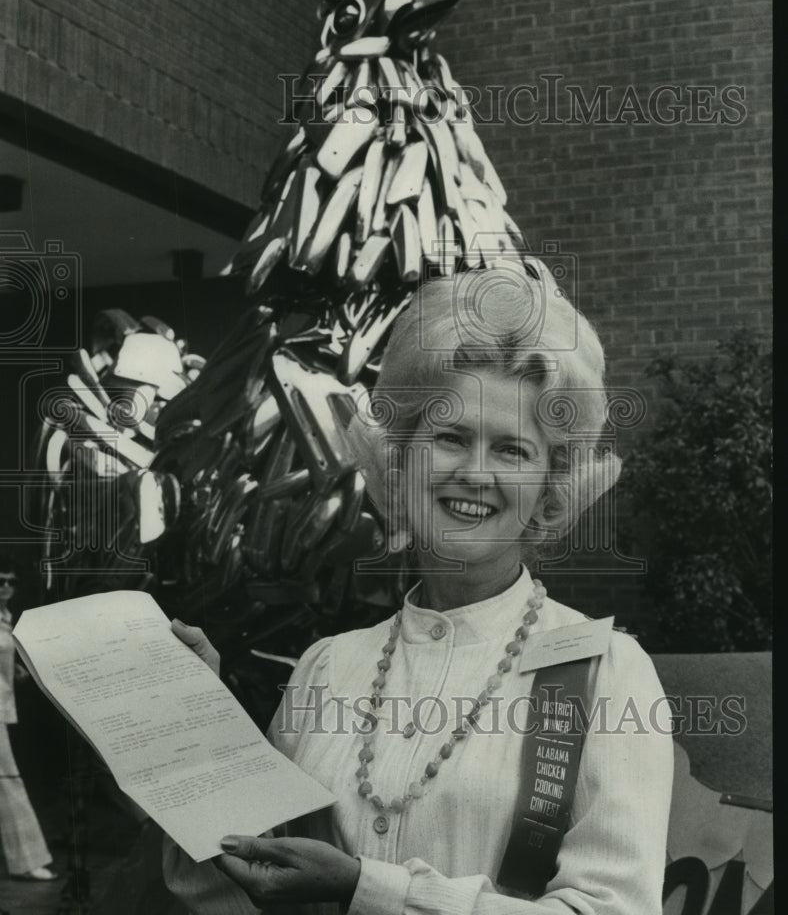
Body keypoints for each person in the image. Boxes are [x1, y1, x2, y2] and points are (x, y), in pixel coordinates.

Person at [164, 263, 674, 914]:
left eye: (513, 451)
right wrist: (203, 740)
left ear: (551, 488)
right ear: (399, 461)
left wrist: (364, 889)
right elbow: (238, 887)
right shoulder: (326, 667)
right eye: (451, 438)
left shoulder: (603, 672)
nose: (475, 473)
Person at [0, 565, 58, 881]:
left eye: (12, 581)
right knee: (9, 783)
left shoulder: (6, 617)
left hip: (3, 706)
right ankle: (27, 859)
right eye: (0, 581)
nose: (6, 586)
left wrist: (15, 671)